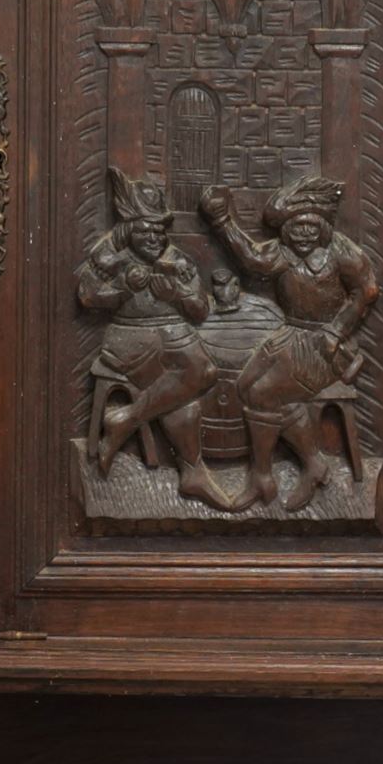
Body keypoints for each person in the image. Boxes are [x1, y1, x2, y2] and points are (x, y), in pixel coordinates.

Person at [199, 176, 379, 511]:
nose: (304, 235)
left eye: (311, 227)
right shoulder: (285, 253)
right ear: (286, 229)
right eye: (296, 228)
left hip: (324, 344)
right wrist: (222, 221)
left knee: (262, 394)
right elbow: (252, 259)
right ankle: (312, 463)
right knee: (246, 384)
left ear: (323, 226)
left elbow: (366, 291)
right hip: (291, 335)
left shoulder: (341, 253)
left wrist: (336, 331)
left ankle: (262, 477)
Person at [75, 168, 235, 510]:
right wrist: (119, 289)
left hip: (174, 336)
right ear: (130, 230)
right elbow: (87, 297)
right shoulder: (110, 258)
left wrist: (177, 295)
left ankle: (128, 422)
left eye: (160, 232)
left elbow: (201, 309)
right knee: (201, 374)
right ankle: (191, 470)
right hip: (130, 338)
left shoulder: (175, 260)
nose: (155, 239)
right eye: (146, 232)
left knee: (186, 394)